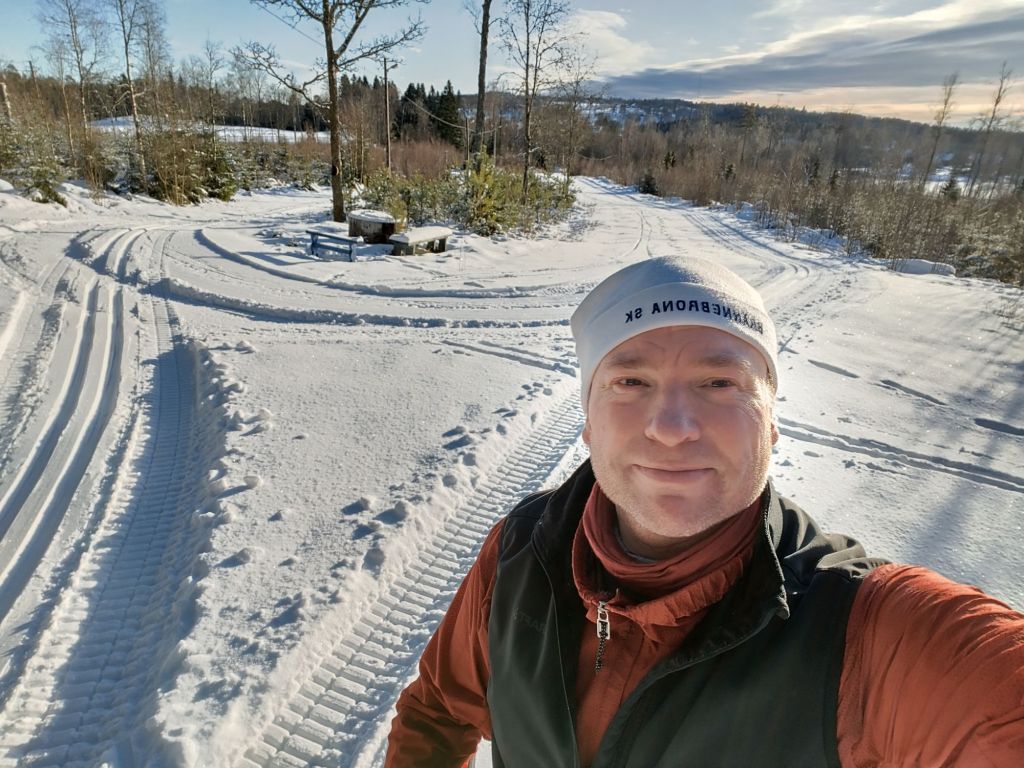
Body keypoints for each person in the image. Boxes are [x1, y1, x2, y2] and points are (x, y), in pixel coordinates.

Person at [385, 256, 1024, 767]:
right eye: (630, 381)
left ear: (771, 422)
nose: (671, 427)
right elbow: (439, 709)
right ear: (588, 422)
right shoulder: (521, 549)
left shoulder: (866, 632)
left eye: (719, 383)